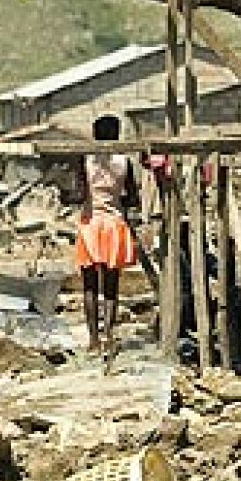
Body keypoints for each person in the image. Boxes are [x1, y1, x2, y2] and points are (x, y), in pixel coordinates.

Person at [76, 115, 138, 355]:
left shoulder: (86, 160)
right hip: (114, 224)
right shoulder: (124, 162)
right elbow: (132, 196)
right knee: (110, 285)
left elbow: (79, 193)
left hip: (90, 224)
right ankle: (108, 335)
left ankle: (93, 340)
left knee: (90, 285)